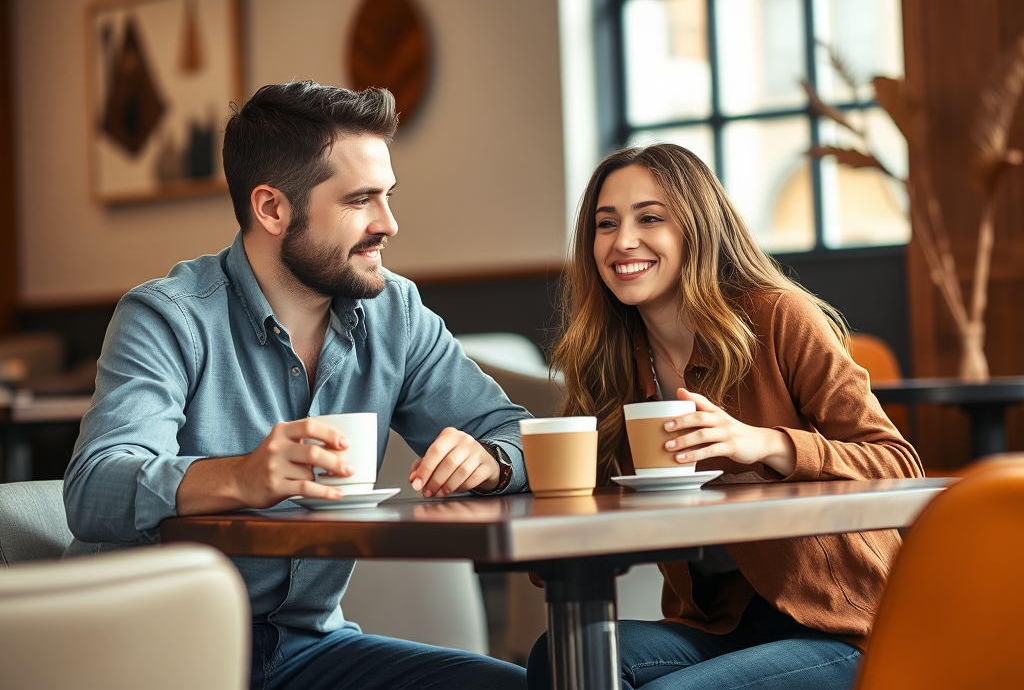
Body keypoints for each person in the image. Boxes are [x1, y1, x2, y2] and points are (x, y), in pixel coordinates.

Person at [64, 81, 529, 690]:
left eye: (387, 197)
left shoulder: (397, 313)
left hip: (309, 650)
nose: (389, 223)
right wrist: (240, 475)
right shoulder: (168, 316)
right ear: (273, 209)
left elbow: (511, 428)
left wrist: (492, 460)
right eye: (361, 199)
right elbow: (94, 485)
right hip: (157, 650)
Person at [526, 143, 924, 690]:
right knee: (564, 655)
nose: (622, 242)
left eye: (650, 219)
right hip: (721, 624)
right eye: (605, 223)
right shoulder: (611, 359)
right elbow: (586, 501)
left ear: (698, 228)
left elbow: (899, 465)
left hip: (843, 627)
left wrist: (766, 445)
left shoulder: (778, 316)